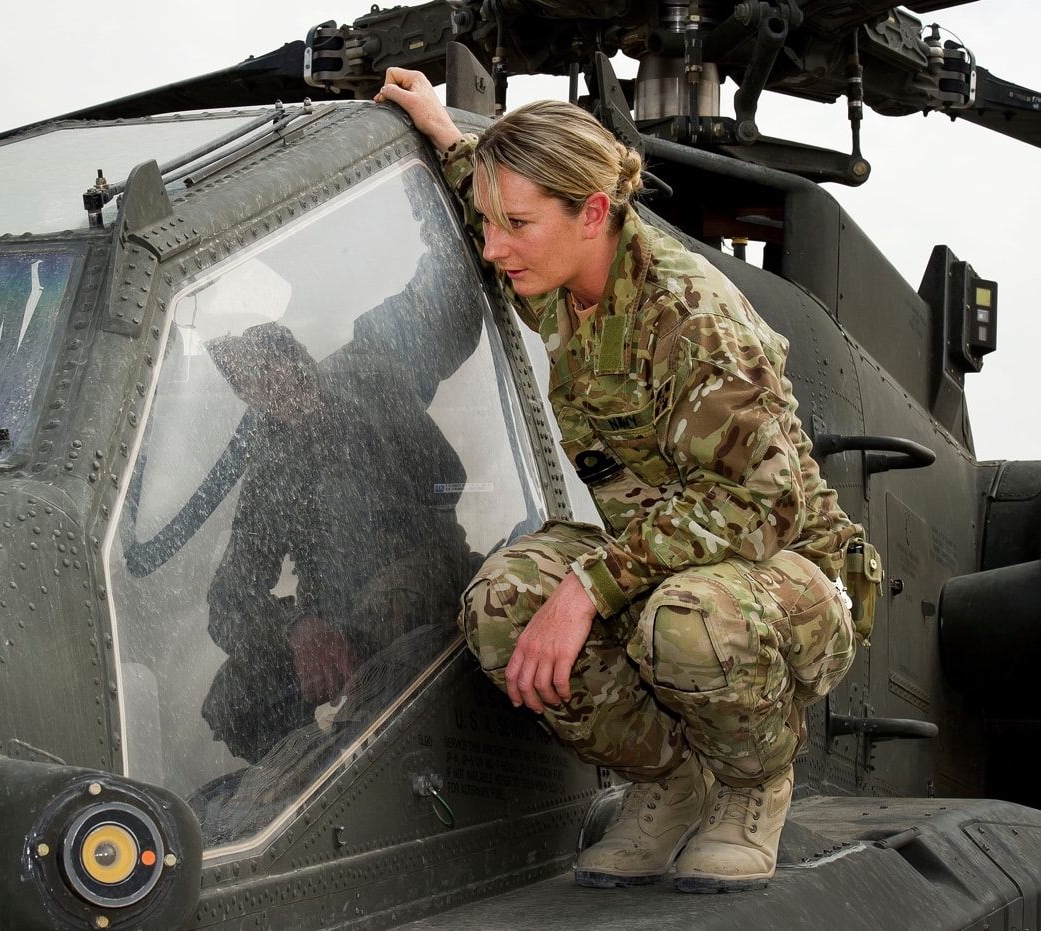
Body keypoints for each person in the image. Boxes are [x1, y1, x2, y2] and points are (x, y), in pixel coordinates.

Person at [375, 70, 864, 893]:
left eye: (516, 226)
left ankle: (752, 784)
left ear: (592, 212)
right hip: (667, 551)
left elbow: (758, 504)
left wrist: (589, 586)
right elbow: (496, 189)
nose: (494, 248)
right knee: (501, 609)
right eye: (490, 224)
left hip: (783, 574)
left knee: (686, 624)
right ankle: (672, 781)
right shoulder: (560, 274)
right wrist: (443, 130)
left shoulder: (691, 317)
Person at [200, 321, 475, 764]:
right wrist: (299, 629)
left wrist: (402, 531)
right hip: (333, 615)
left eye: (276, 360)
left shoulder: (373, 385)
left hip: (426, 567)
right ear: (243, 395)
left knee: (386, 618)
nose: (274, 380)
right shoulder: (270, 473)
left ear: (298, 352)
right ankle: (312, 773)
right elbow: (227, 598)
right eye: (253, 377)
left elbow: (448, 480)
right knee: (235, 701)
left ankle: (377, 753)